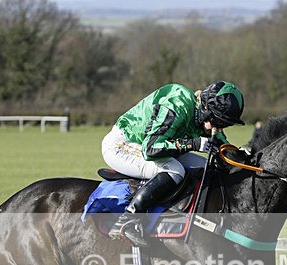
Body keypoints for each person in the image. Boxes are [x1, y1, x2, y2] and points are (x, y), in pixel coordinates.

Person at [101, 80, 245, 245]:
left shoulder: (206, 115)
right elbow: (150, 149)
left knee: (205, 166)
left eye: (226, 124)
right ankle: (127, 220)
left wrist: (242, 156)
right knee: (175, 170)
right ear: (206, 109)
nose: (220, 128)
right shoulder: (177, 104)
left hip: (154, 146)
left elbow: (224, 150)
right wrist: (194, 144)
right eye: (219, 122)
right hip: (124, 144)